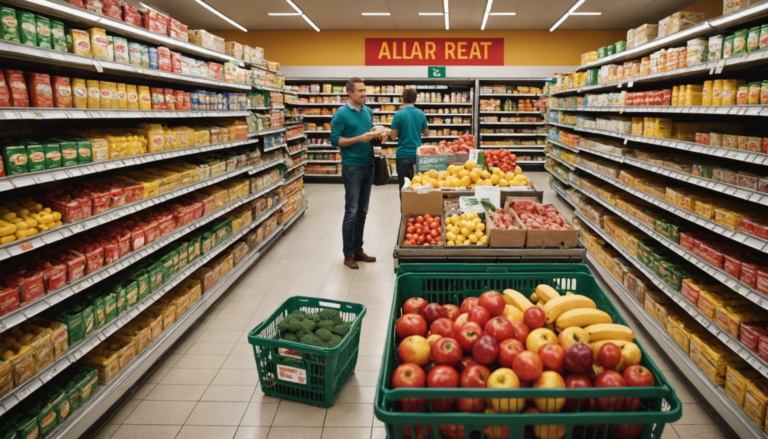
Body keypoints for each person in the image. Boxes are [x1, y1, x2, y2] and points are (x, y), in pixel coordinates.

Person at [331, 77, 382, 269]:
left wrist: (377, 138)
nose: (364, 94)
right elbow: (336, 141)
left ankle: (358, 249)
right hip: (352, 167)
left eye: (364, 90)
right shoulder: (341, 114)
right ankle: (348, 254)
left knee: (362, 211)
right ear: (350, 93)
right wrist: (359, 138)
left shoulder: (368, 111)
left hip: (368, 165)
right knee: (351, 212)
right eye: (360, 91)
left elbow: (368, 134)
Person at [389, 88, 428, 197]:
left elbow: (393, 136)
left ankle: (405, 213)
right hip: (418, 155)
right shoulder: (421, 114)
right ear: (415, 100)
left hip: (402, 155)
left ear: (402, 99)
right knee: (419, 187)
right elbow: (426, 133)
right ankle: (418, 212)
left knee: (404, 188)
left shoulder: (398, 115)